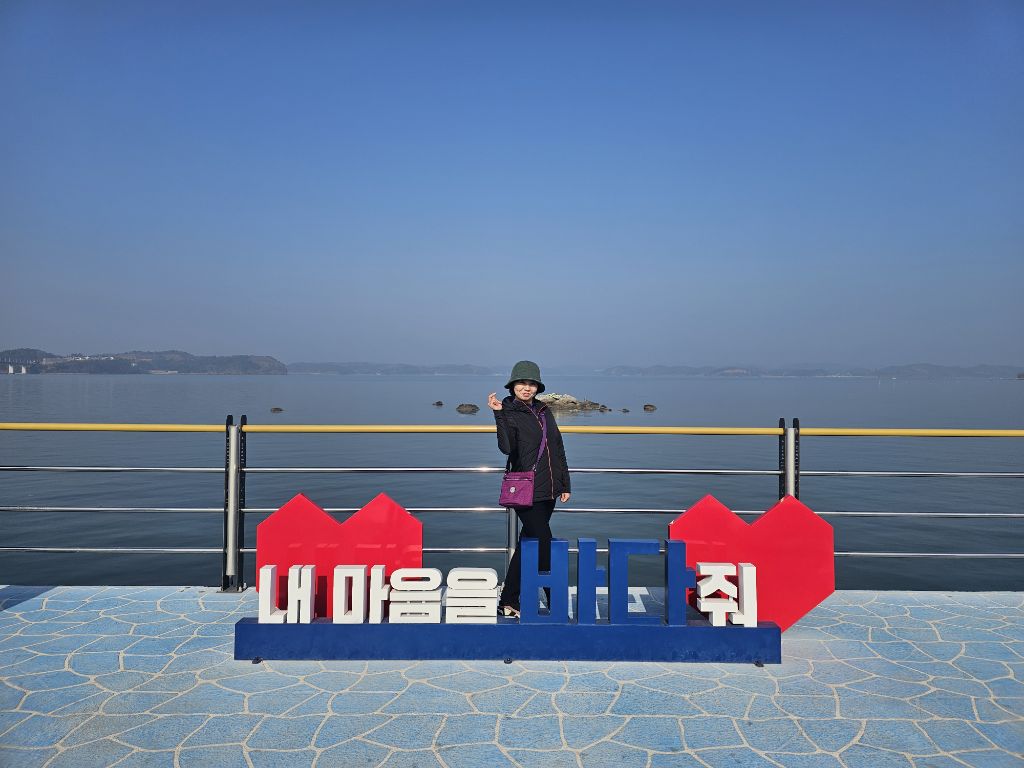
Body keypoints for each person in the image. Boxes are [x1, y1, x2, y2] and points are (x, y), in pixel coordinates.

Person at [488, 360, 571, 618]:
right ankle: (554, 600)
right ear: (512, 385)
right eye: (522, 383)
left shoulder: (544, 411)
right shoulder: (509, 411)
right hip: (526, 489)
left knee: (528, 544)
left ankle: (508, 600)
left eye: (532, 384)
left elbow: (557, 447)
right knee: (544, 544)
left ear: (538, 387)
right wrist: (498, 414)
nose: (527, 388)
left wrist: (565, 483)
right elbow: (506, 447)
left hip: (550, 489)